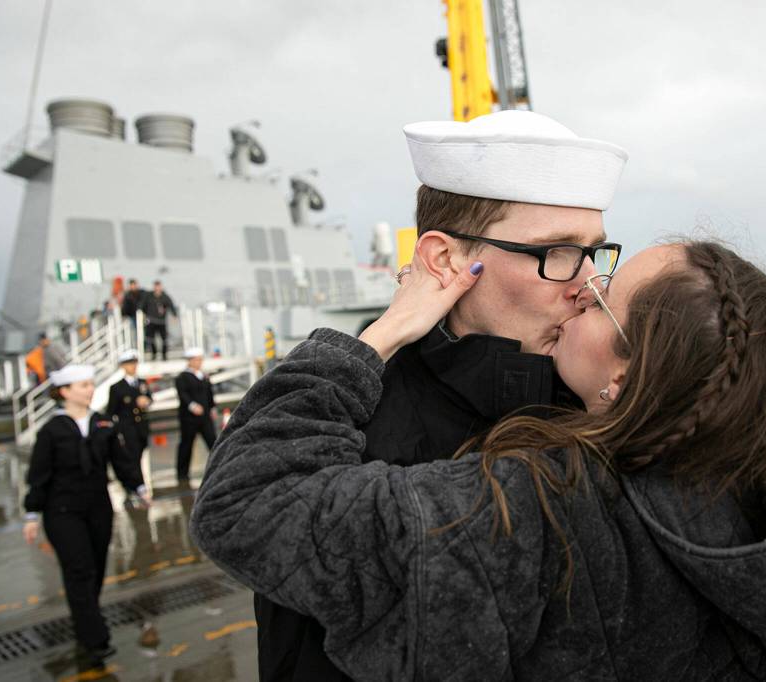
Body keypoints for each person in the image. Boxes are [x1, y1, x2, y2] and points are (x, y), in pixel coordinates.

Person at [191, 240, 766, 681]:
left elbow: (245, 502)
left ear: (626, 383)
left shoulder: (532, 512)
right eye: (579, 260)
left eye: (603, 294)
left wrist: (380, 335)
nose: (581, 283)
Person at [252, 110, 628, 682]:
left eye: (593, 253)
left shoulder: (596, 403)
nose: (587, 285)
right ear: (445, 260)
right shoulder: (357, 437)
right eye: (556, 253)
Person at [22, 364, 151, 666]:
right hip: (62, 511)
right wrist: (31, 514)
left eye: (91, 384)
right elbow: (39, 474)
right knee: (78, 570)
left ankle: (85, 624)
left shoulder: (103, 424)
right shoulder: (52, 430)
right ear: (64, 391)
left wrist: (139, 488)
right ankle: (95, 639)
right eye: (82, 385)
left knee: (93, 570)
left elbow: (121, 462)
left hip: (98, 508)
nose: (90, 389)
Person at [175, 347, 215, 483]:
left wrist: (212, 408)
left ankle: (217, 467)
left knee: (213, 442)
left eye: (200, 359)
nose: (199, 362)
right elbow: (183, 394)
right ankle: (182, 473)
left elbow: (209, 394)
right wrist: (192, 405)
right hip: (189, 418)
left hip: (205, 417)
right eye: (196, 360)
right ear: (190, 361)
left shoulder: (203, 376)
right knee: (186, 445)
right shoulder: (182, 377)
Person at [106, 350, 153, 466]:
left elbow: (150, 397)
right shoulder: (117, 387)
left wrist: (147, 401)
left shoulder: (142, 382)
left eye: (134, 363)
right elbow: (111, 411)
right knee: (133, 458)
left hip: (142, 426)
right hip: (128, 429)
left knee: (142, 455)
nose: (133, 366)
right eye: (129, 363)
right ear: (123, 366)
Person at [142, 281, 176, 360]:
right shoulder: (149, 296)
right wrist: (142, 314)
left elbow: (171, 305)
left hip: (161, 322)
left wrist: (174, 315)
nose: (157, 288)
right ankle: (154, 354)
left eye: (159, 286)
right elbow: (142, 305)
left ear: (161, 287)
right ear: (154, 287)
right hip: (151, 321)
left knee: (164, 339)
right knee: (151, 338)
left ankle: (164, 355)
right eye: (156, 287)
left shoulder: (165, 297)